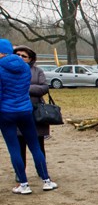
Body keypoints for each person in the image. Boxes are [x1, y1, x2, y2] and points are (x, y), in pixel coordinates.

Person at [0, 39, 57, 194]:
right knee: (35, 145)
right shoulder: (26, 68)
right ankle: (46, 180)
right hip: (25, 110)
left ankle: (23, 184)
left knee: (14, 149)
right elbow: (26, 88)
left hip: (6, 113)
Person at [14, 45, 50, 170]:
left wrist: (26, 88)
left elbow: (44, 88)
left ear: (30, 59)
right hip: (17, 111)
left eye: (23, 56)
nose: (20, 57)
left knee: (38, 145)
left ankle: (42, 170)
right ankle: (20, 172)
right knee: (19, 146)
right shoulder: (9, 71)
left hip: (35, 111)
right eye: (17, 55)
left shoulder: (37, 71)